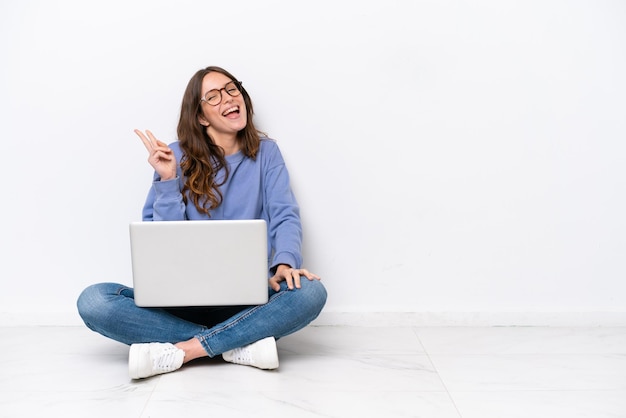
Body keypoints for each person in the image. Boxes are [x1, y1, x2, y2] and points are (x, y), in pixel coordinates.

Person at [76, 65, 327, 379]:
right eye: (213, 96)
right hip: (179, 301)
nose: (228, 98)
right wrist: (167, 179)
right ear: (201, 117)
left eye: (232, 89)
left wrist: (285, 264)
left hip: (248, 298)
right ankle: (240, 342)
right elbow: (161, 243)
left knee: (311, 292)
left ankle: (185, 349)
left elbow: (284, 213)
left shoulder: (267, 153)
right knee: (94, 301)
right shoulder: (173, 155)